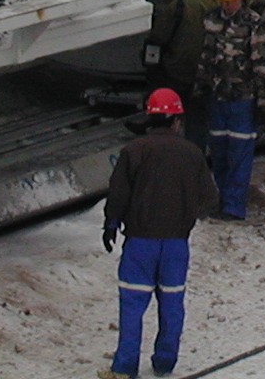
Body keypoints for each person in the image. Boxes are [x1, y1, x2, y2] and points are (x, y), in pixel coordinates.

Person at [100, 87, 217, 379]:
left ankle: (125, 367)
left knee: (133, 305)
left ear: (150, 119)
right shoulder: (192, 153)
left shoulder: (134, 151)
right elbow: (210, 198)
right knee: (172, 304)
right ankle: (165, 362)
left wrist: (112, 223)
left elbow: (118, 194)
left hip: (140, 243)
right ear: (176, 121)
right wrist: (186, 213)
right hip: (176, 245)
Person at [193, 0, 265, 221]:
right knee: (219, 151)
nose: (229, 4)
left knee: (239, 154)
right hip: (218, 97)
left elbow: (261, 64)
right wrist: (200, 87)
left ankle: (233, 207)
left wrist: (264, 102)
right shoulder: (211, 20)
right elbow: (205, 55)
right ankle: (222, 199)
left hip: (243, 99)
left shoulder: (254, 23)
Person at [146, 0, 218, 149]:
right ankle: (194, 158)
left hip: (177, 74)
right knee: (198, 122)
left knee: (171, 120)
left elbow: (157, 38)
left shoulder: (177, 7)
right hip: (209, 77)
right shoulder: (219, 4)